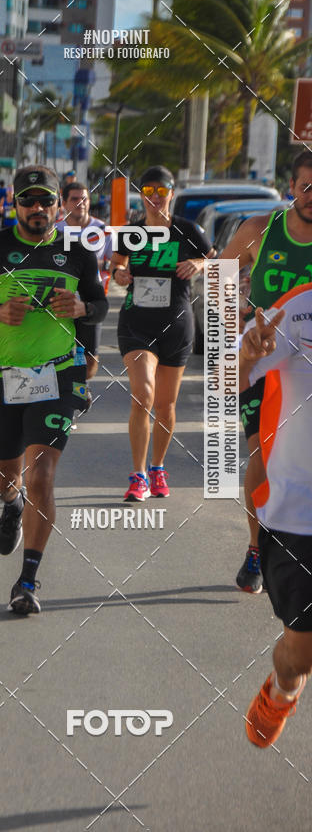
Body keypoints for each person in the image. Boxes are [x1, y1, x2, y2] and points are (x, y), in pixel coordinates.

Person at [0, 164, 108, 615]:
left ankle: (28, 579)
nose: (37, 209)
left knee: (42, 476)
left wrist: (82, 307)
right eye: (28, 201)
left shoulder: (78, 254)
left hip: (56, 376)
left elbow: (99, 306)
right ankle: (11, 505)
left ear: (60, 206)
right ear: (12, 204)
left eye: (46, 201)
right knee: (4, 478)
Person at [221, 150, 312, 593]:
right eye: (306, 187)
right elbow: (222, 273)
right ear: (290, 188)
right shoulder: (260, 231)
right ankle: (256, 550)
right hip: (262, 361)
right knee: (260, 452)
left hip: (308, 368)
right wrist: (233, 334)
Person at [110, 165, 214, 502]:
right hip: (137, 323)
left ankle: (157, 467)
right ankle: (138, 475)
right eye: (148, 191)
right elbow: (116, 264)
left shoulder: (187, 230)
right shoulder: (131, 232)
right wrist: (120, 273)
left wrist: (198, 265)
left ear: (171, 192)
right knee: (143, 394)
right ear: (141, 194)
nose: (155, 198)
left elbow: (216, 260)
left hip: (177, 322)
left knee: (167, 405)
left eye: (161, 191)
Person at [238, 288, 312, 747]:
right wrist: (247, 355)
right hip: (297, 513)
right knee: (301, 657)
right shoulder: (298, 309)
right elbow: (229, 378)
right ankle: (283, 689)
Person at [56, 180, 113, 380]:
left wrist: (99, 265)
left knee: (90, 362)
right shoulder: (55, 230)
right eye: (74, 199)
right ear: (64, 203)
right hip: (59, 301)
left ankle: (81, 384)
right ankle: (65, 388)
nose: (80, 203)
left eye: (84, 199)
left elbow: (116, 262)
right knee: (57, 355)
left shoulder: (102, 229)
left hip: (90, 301)